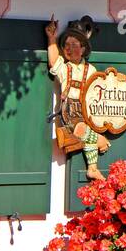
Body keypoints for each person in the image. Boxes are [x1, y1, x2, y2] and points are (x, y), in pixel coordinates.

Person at [45, 15, 110, 179]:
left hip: (85, 110)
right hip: (70, 110)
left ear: (82, 49)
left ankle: (92, 168)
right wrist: (51, 38)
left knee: (86, 131)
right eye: (66, 45)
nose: (69, 48)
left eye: (74, 45)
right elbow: (53, 61)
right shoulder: (64, 67)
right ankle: (99, 140)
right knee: (81, 130)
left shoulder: (92, 70)